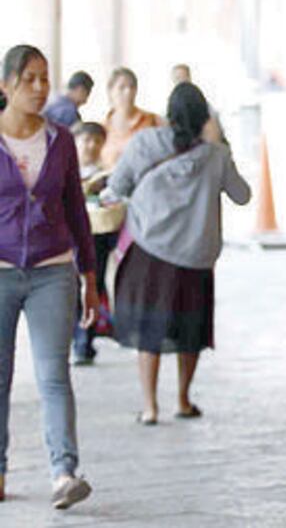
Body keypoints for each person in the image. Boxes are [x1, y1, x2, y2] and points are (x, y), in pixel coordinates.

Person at [108, 82, 251, 425]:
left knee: (149, 329)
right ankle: (184, 400)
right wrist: (220, 143)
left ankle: (150, 406)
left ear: (169, 114)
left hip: (149, 250)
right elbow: (242, 195)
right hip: (194, 258)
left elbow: (117, 186)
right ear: (205, 117)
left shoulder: (144, 142)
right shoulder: (217, 156)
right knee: (190, 329)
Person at [0, 45, 96, 509]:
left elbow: (76, 209)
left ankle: (64, 472)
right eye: (29, 80)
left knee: (54, 375)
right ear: (6, 86)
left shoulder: (60, 139)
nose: (39, 88)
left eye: (44, 78)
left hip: (53, 270)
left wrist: (91, 276)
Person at [71, 122, 112, 365]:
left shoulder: (106, 175)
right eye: (86, 140)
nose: (91, 145)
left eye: (97, 141)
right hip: (68, 240)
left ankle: (84, 342)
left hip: (98, 237)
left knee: (93, 286)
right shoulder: (64, 170)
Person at [101, 67, 162, 168]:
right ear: (110, 91)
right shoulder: (102, 127)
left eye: (132, 87)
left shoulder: (153, 121)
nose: (128, 92)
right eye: (122, 88)